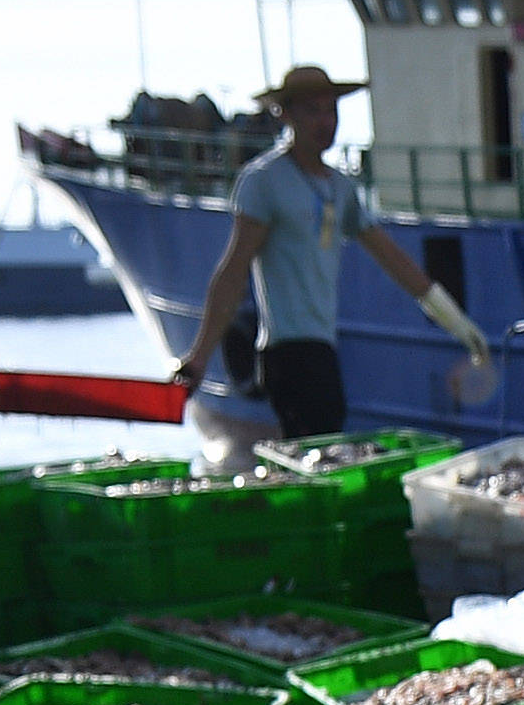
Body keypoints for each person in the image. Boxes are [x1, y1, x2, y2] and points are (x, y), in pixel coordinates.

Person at [168, 62, 488, 438]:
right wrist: (200, 356)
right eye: (312, 111)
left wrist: (457, 323)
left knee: (327, 437)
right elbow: (234, 270)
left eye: (331, 110)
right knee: (316, 442)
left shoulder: (339, 187)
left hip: (322, 348)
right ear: (285, 114)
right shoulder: (264, 181)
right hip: (286, 349)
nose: (325, 121)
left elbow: (392, 258)